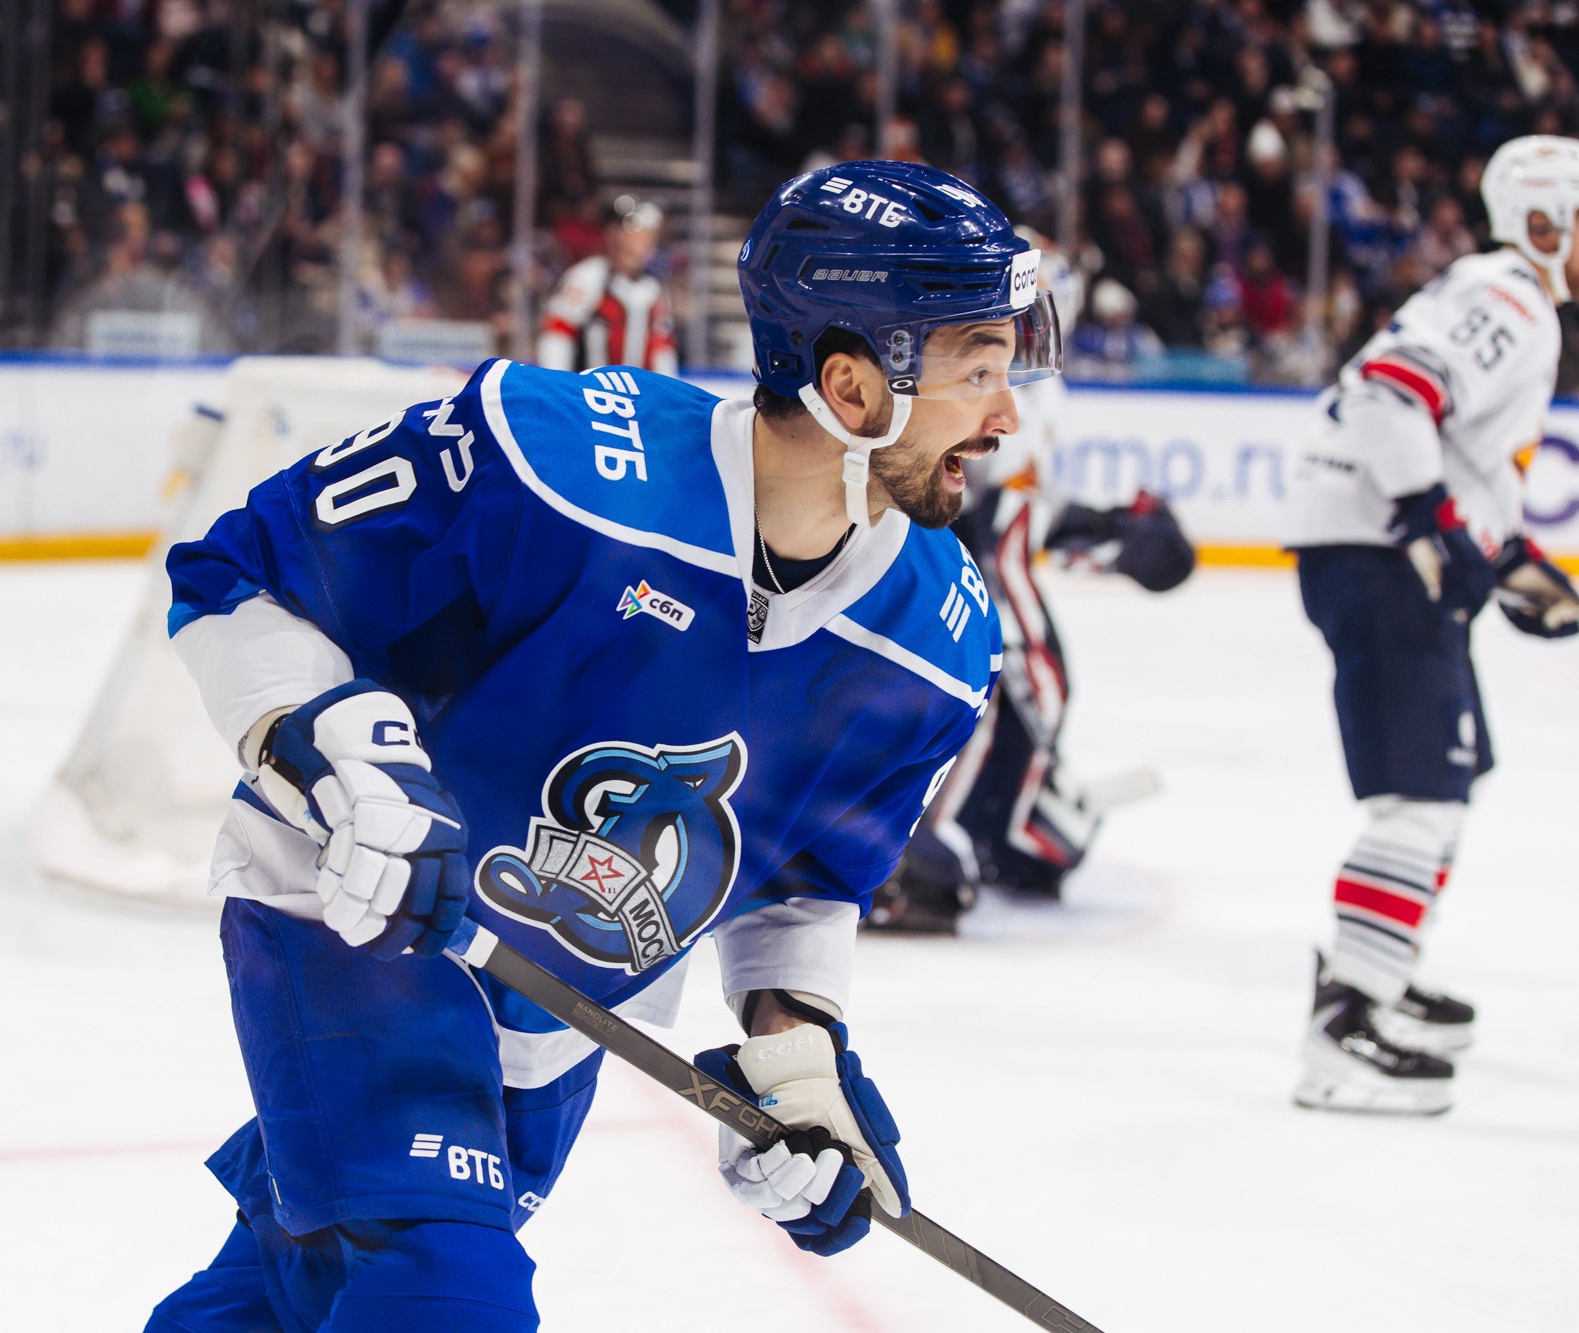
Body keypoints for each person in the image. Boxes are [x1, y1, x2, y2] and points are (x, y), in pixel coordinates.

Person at [146, 160, 1060, 1331]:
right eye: (975, 372)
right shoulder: (559, 458)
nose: (1003, 416)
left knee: (287, 1291)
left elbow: (803, 880)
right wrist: (353, 767)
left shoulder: (937, 641)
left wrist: (798, 1060)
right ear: (849, 382)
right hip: (360, 921)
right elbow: (235, 572)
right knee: (445, 1292)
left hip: (559, 1012)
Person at [1285, 135, 1579, 1116]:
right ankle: (1345, 1024)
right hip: (1379, 556)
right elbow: (1390, 390)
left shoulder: (1507, 296)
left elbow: (1443, 440)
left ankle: (1382, 966)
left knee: (1449, 783)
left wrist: (1503, 557)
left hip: (1380, 551)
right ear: (1544, 225)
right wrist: (1425, 520)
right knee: (1418, 798)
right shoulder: (1510, 297)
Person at [869, 235, 1193, 932]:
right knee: (991, 688)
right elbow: (982, 503)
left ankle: (984, 828)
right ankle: (911, 842)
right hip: (936, 554)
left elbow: (1012, 504)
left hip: (958, 555)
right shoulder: (964, 374)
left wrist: (1105, 529)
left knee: (1021, 693)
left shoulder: (1026, 388)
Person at [536, 196, 678, 374]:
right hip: (592, 386)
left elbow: (662, 348)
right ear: (615, 237)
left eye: (647, 241)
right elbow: (558, 333)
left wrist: (668, 387)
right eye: (634, 238)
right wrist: (558, 381)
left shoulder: (653, 289)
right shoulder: (588, 277)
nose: (641, 248)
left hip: (637, 389)